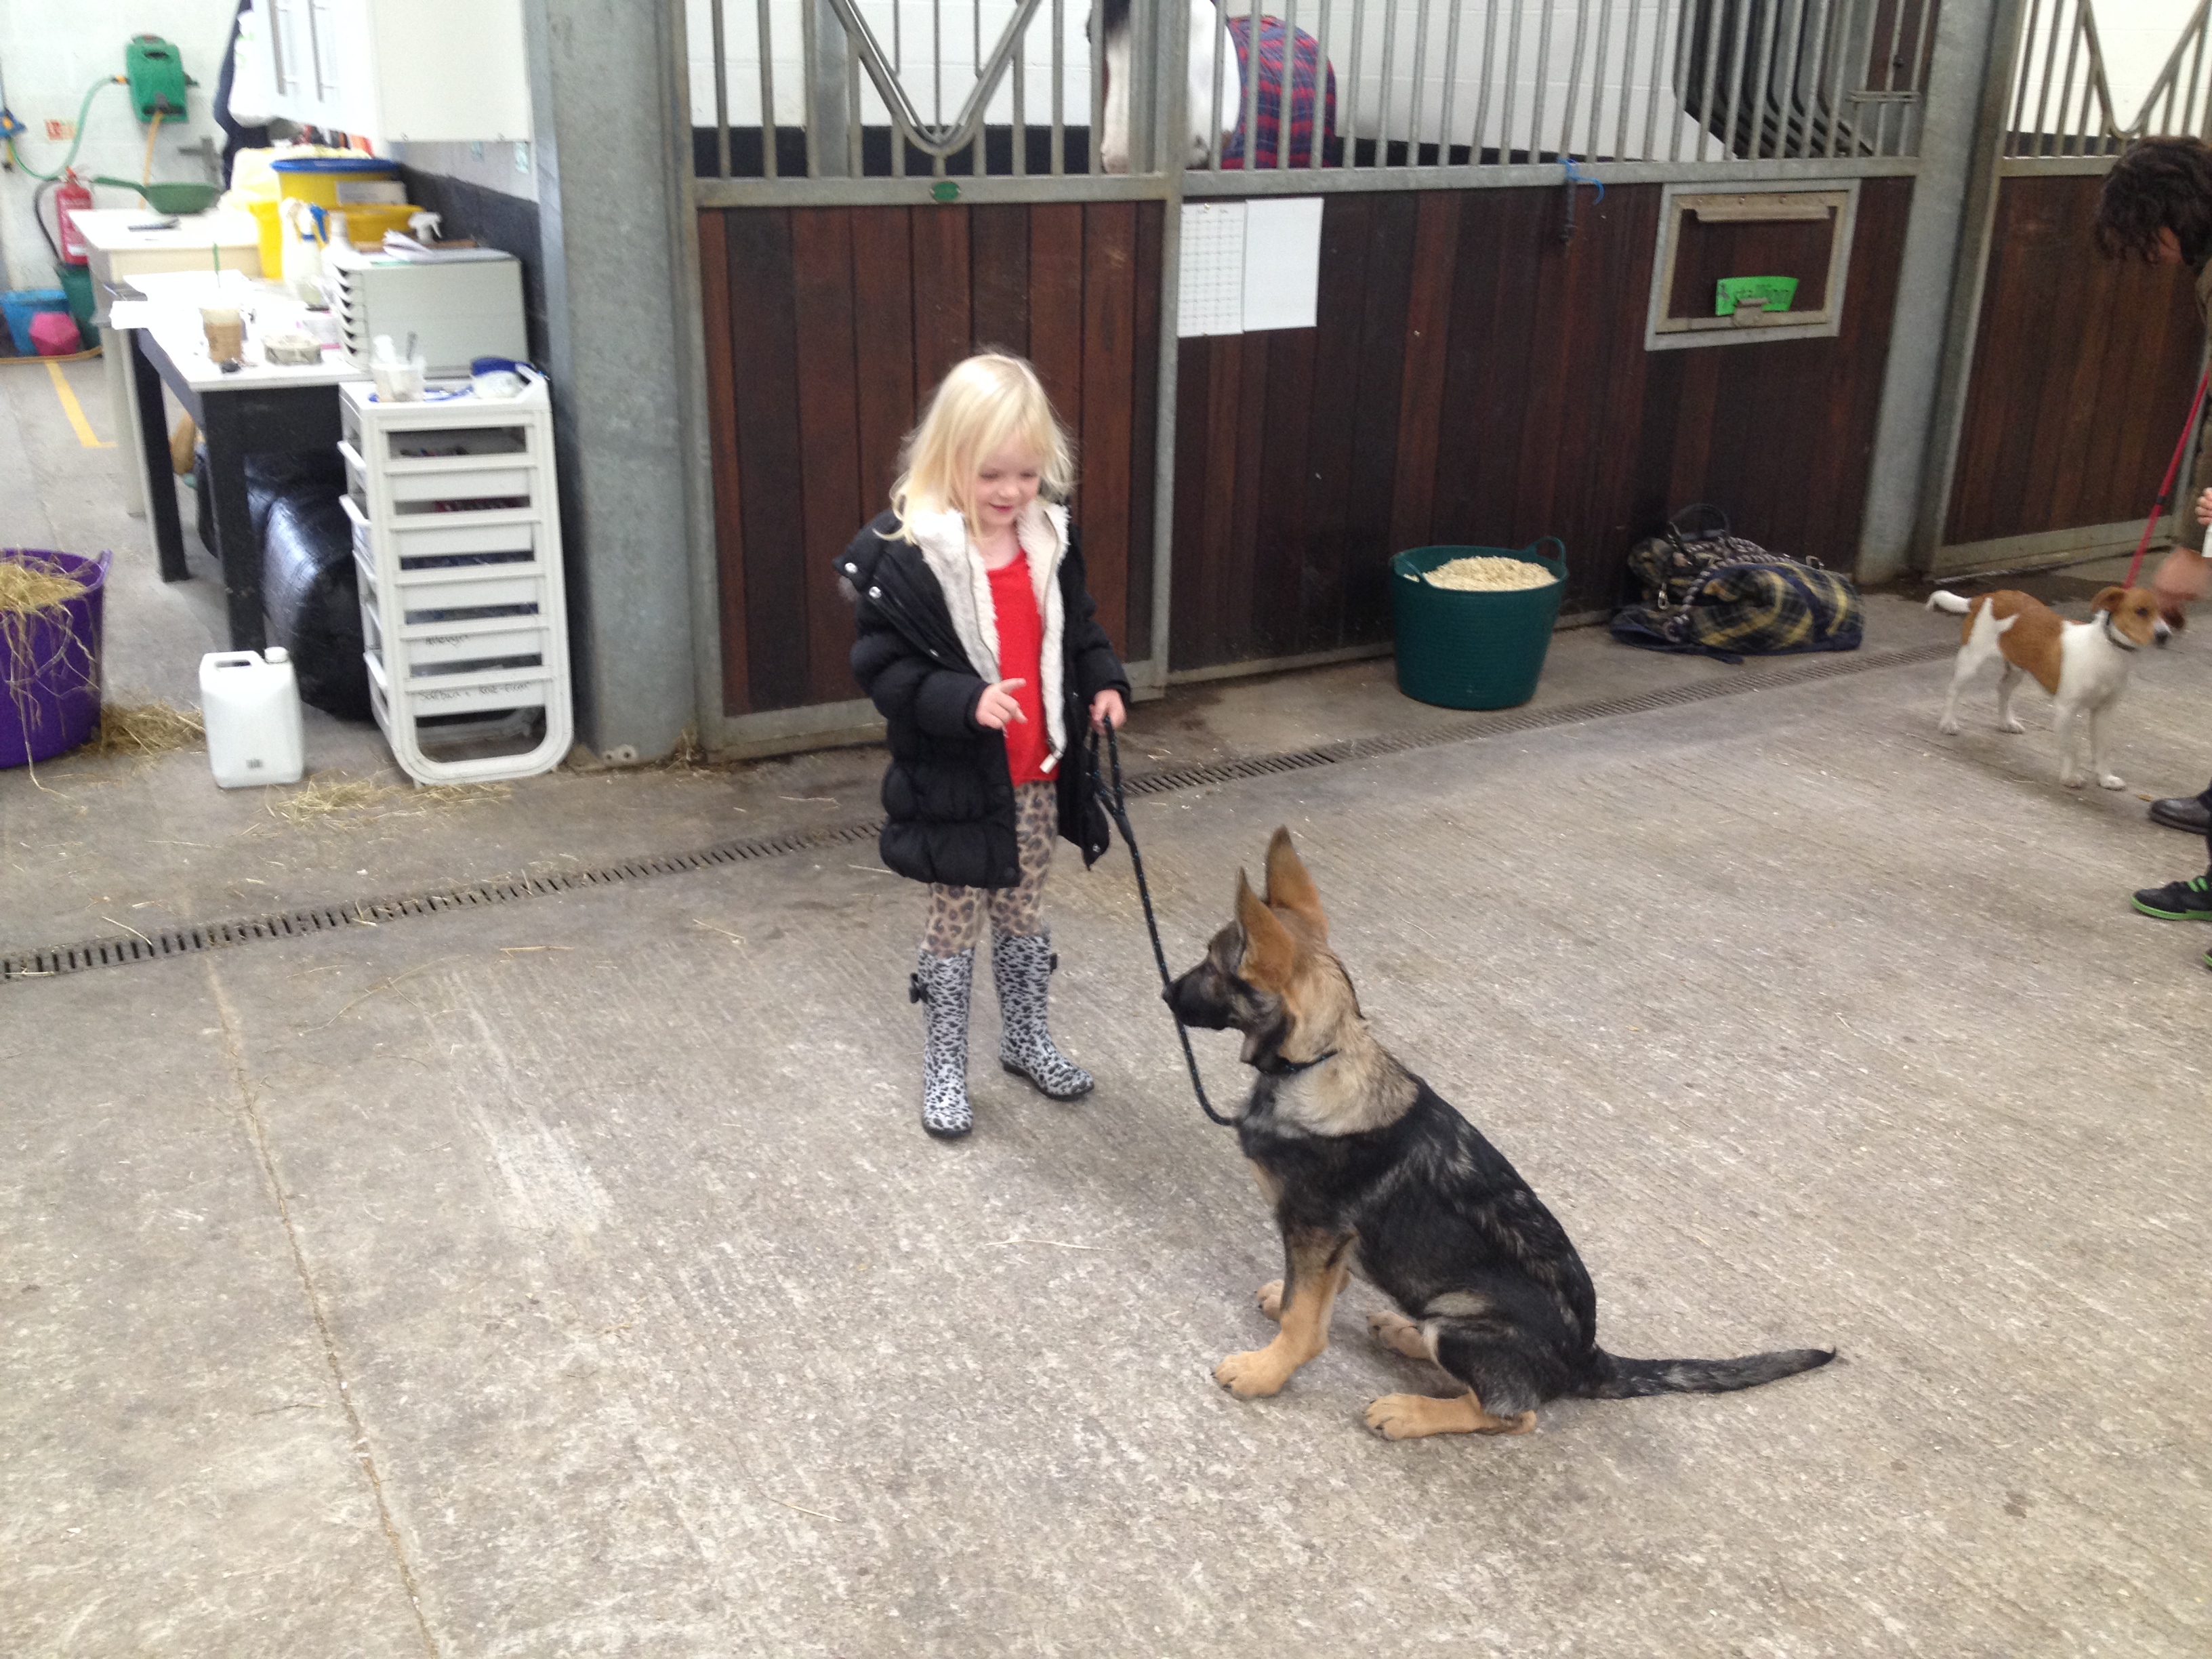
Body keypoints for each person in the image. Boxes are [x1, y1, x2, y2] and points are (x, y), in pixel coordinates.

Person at [838, 354, 1132, 1138]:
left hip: (1036, 776)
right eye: (990, 474)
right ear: (948, 462)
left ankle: (1027, 1040)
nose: (1010, 493)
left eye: (1027, 475)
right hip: (956, 782)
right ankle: (943, 1068)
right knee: (952, 921)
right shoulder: (910, 557)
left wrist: (1105, 682)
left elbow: (1080, 629)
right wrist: (965, 702)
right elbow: (886, 669)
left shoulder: (1047, 543)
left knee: (1025, 910)